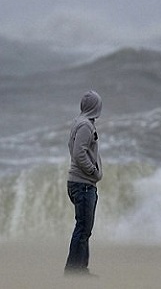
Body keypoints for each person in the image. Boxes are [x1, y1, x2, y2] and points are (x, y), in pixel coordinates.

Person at [64, 90, 103, 276]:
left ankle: (81, 269)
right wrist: (93, 171)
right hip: (83, 184)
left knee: (84, 229)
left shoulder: (77, 122)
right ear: (96, 106)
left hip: (77, 183)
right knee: (83, 229)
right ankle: (73, 270)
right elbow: (79, 153)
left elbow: (72, 148)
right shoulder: (86, 126)